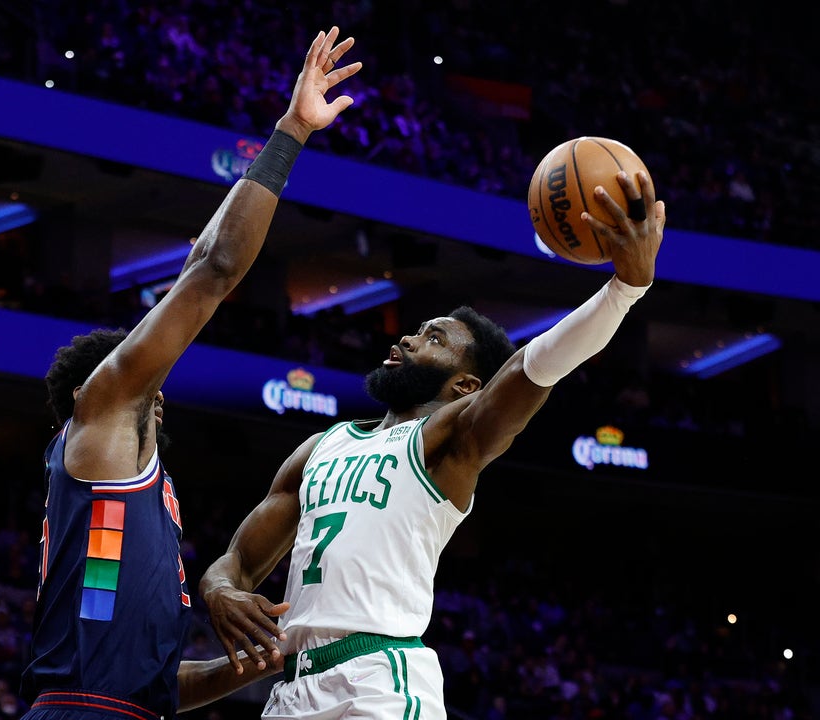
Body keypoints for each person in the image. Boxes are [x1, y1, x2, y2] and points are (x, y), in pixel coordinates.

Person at [199, 171, 666, 719]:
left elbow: (532, 368)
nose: (406, 338)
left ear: (466, 387)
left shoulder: (448, 443)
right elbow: (236, 563)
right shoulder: (320, 446)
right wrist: (219, 592)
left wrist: (624, 291)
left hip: (379, 681)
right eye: (419, 330)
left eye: (434, 339)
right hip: (291, 691)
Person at [19, 26, 363, 720]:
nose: (161, 393)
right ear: (97, 393)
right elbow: (214, 272)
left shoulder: (128, 489)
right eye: (149, 384)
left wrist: (269, 658)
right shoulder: (103, 418)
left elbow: (157, 690)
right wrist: (292, 130)